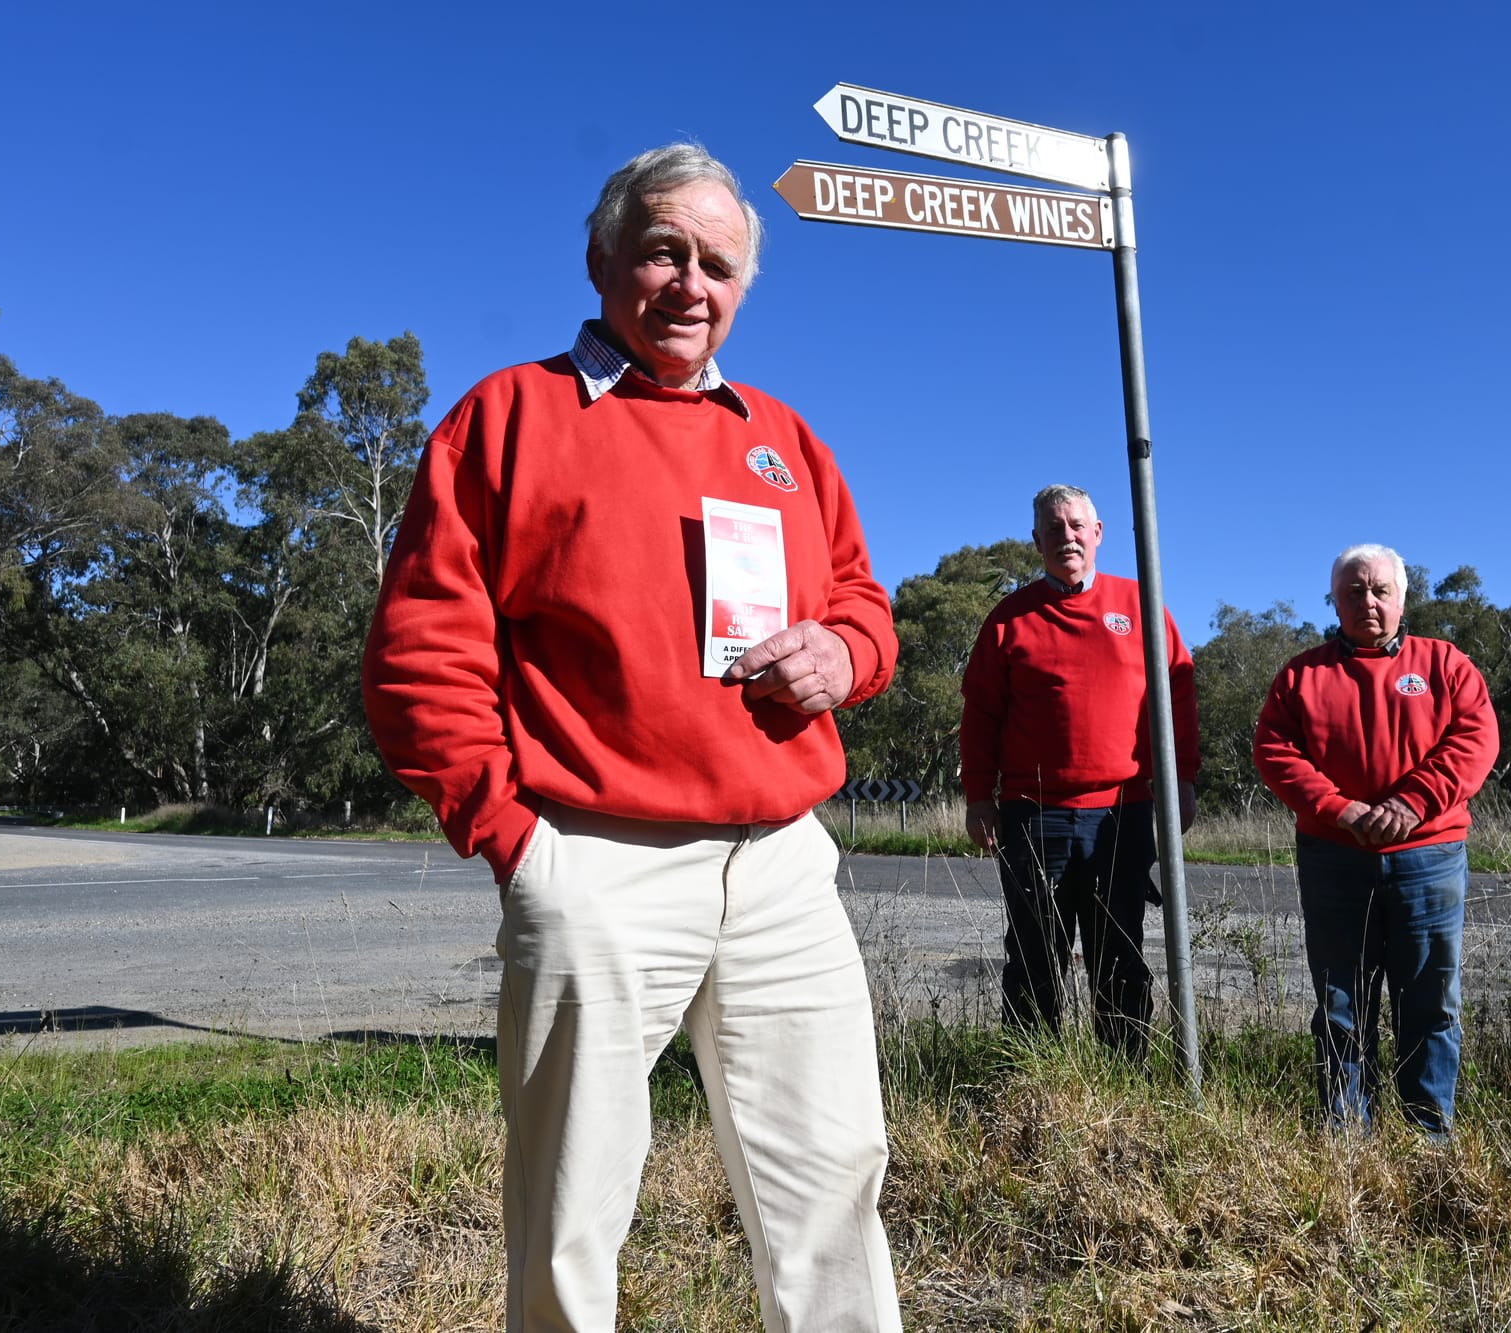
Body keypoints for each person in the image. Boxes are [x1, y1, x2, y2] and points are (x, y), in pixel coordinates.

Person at [362, 144, 902, 1331]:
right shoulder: (508, 416)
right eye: (664, 250)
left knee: (832, 1179)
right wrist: (516, 838)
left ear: (743, 290)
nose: (690, 283)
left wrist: (845, 655)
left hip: (780, 862)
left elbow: (862, 602)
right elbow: (419, 655)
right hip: (592, 859)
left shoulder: (786, 441)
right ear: (605, 257)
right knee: (571, 1210)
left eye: (718, 264)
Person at [1253, 544, 1499, 1136]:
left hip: (1428, 857)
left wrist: (1412, 802)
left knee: (1431, 1004)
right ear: (1334, 601)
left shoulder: (1446, 665)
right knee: (1341, 1007)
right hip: (1335, 858)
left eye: (1380, 590)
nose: (1368, 601)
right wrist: (1340, 810)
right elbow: (1275, 751)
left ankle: (1428, 1139)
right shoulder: (1301, 676)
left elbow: (1475, 740)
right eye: (1354, 591)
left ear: (1402, 597)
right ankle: (1346, 1143)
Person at [958, 484, 1198, 1058]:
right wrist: (978, 796)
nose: (1066, 536)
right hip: (1032, 817)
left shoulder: (1142, 605)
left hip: (1124, 814)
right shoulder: (1009, 619)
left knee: (1120, 954)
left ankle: (1125, 1082)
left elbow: (1179, 694)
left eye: (1076, 525)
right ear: (1037, 541)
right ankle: (1032, 1083)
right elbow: (981, 712)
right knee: (1035, 955)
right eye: (1054, 528)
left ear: (1097, 533)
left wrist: (1183, 781)